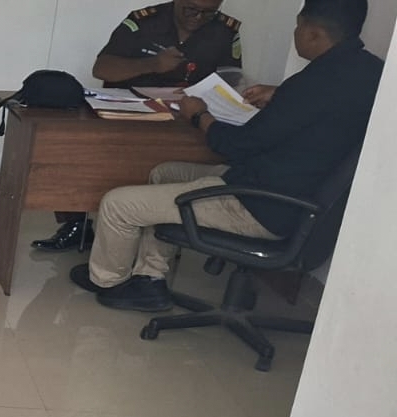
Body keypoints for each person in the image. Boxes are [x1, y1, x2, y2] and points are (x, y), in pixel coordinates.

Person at [70, 0, 381, 312]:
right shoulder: (372, 73)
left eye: (298, 26)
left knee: (117, 204)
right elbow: (323, 107)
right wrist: (280, 94)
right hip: (284, 193)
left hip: (257, 203)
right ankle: (149, 278)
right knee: (164, 172)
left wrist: (199, 115)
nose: (295, 33)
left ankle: (109, 281)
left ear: (313, 33)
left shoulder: (310, 84)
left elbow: (236, 145)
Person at [34, 0, 243, 253]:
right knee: (80, 154)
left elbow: (231, 80)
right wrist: (151, 64)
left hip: (184, 125)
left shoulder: (225, 31)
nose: (198, 17)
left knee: (191, 162)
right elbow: (102, 68)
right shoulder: (143, 21)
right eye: (191, 9)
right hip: (131, 118)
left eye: (208, 13)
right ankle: (77, 225)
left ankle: (163, 236)